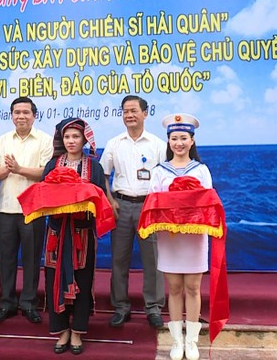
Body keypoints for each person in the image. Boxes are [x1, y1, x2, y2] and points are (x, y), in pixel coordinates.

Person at [40, 118, 112, 355]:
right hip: (57, 233)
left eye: (76, 137)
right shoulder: (52, 165)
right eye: (67, 137)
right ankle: (61, 331)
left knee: (82, 279)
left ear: (84, 140)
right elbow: (43, 197)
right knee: (53, 279)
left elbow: (99, 198)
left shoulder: (95, 168)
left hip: (82, 232)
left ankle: (78, 331)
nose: (71, 141)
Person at [146, 113, 213, 360]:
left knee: (193, 288)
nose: (179, 143)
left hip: (194, 237)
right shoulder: (159, 171)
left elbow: (209, 201)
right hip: (170, 237)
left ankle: (192, 341)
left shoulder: (202, 170)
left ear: (192, 141)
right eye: (174, 138)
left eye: (184, 138)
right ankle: (176, 340)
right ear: (169, 141)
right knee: (173, 288)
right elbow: (152, 203)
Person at [99, 95, 166, 329]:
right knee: (119, 259)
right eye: (125, 111)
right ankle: (121, 306)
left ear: (145, 113)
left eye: (134, 110)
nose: (129, 115)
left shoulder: (158, 145)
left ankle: (154, 308)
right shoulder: (114, 143)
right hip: (121, 205)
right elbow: (103, 175)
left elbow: (166, 178)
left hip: (149, 206)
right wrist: (109, 200)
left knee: (153, 260)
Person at [0, 97, 53, 323]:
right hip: (5, 207)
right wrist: (5, 170)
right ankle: (7, 303)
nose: (21, 116)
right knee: (5, 259)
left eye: (26, 112)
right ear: (11, 115)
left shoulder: (45, 140)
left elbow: (47, 173)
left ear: (34, 115)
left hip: (32, 209)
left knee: (32, 258)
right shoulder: (2, 140)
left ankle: (29, 303)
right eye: (17, 112)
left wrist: (19, 168)